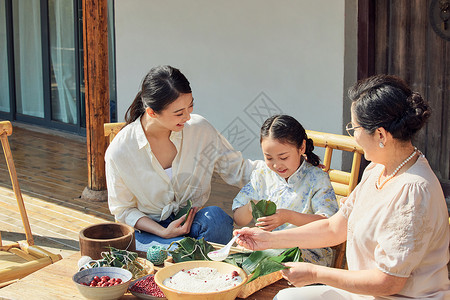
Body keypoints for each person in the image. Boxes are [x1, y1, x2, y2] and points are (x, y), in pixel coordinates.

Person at [234, 75, 450, 299]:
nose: (354, 136)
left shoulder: (413, 191)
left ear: (380, 134)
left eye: (354, 128)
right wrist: (266, 239)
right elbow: (333, 228)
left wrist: (316, 273)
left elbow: (388, 282)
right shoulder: (377, 170)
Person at [105, 65, 260, 251]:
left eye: (190, 106)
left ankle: (190, 254)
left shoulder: (199, 129)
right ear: (152, 112)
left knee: (217, 220)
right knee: (167, 251)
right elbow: (123, 210)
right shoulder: (120, 151)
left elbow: (239, 170)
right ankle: (191, 254)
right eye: (179, 113)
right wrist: (162, 232)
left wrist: (280, 167)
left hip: (193, 222)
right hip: (152, 232)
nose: (187, 116)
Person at [232, 115, 339, 266]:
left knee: (263, 259)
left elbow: (329, 224)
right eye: (269, 158)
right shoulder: (262, 175)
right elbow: (238, 218)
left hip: (306, 252)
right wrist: (251, 206)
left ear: (301, 147)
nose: (276, 165)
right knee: (241, 255)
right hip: (267, 247)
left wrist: (288, 216)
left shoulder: (317, 178)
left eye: (283, 157)